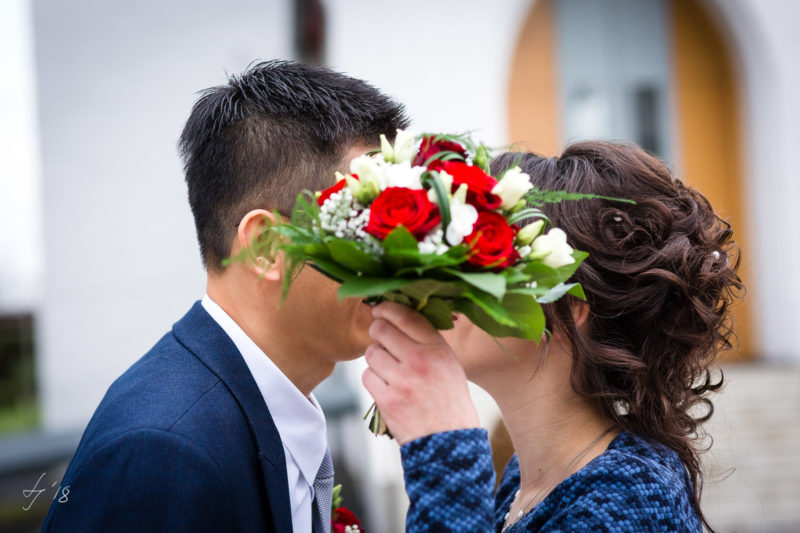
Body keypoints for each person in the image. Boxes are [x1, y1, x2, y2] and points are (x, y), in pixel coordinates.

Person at [43, 60, 408, 532]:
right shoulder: (167, 451)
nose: (402, 255)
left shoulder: (252, 406)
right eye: (372, 223)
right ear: (268, 246)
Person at [363, 141, 742, 532]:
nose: (443, 280)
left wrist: (446, 450)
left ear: (570, 308)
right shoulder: (523, 481)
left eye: (481, 258)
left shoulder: (629, 496)